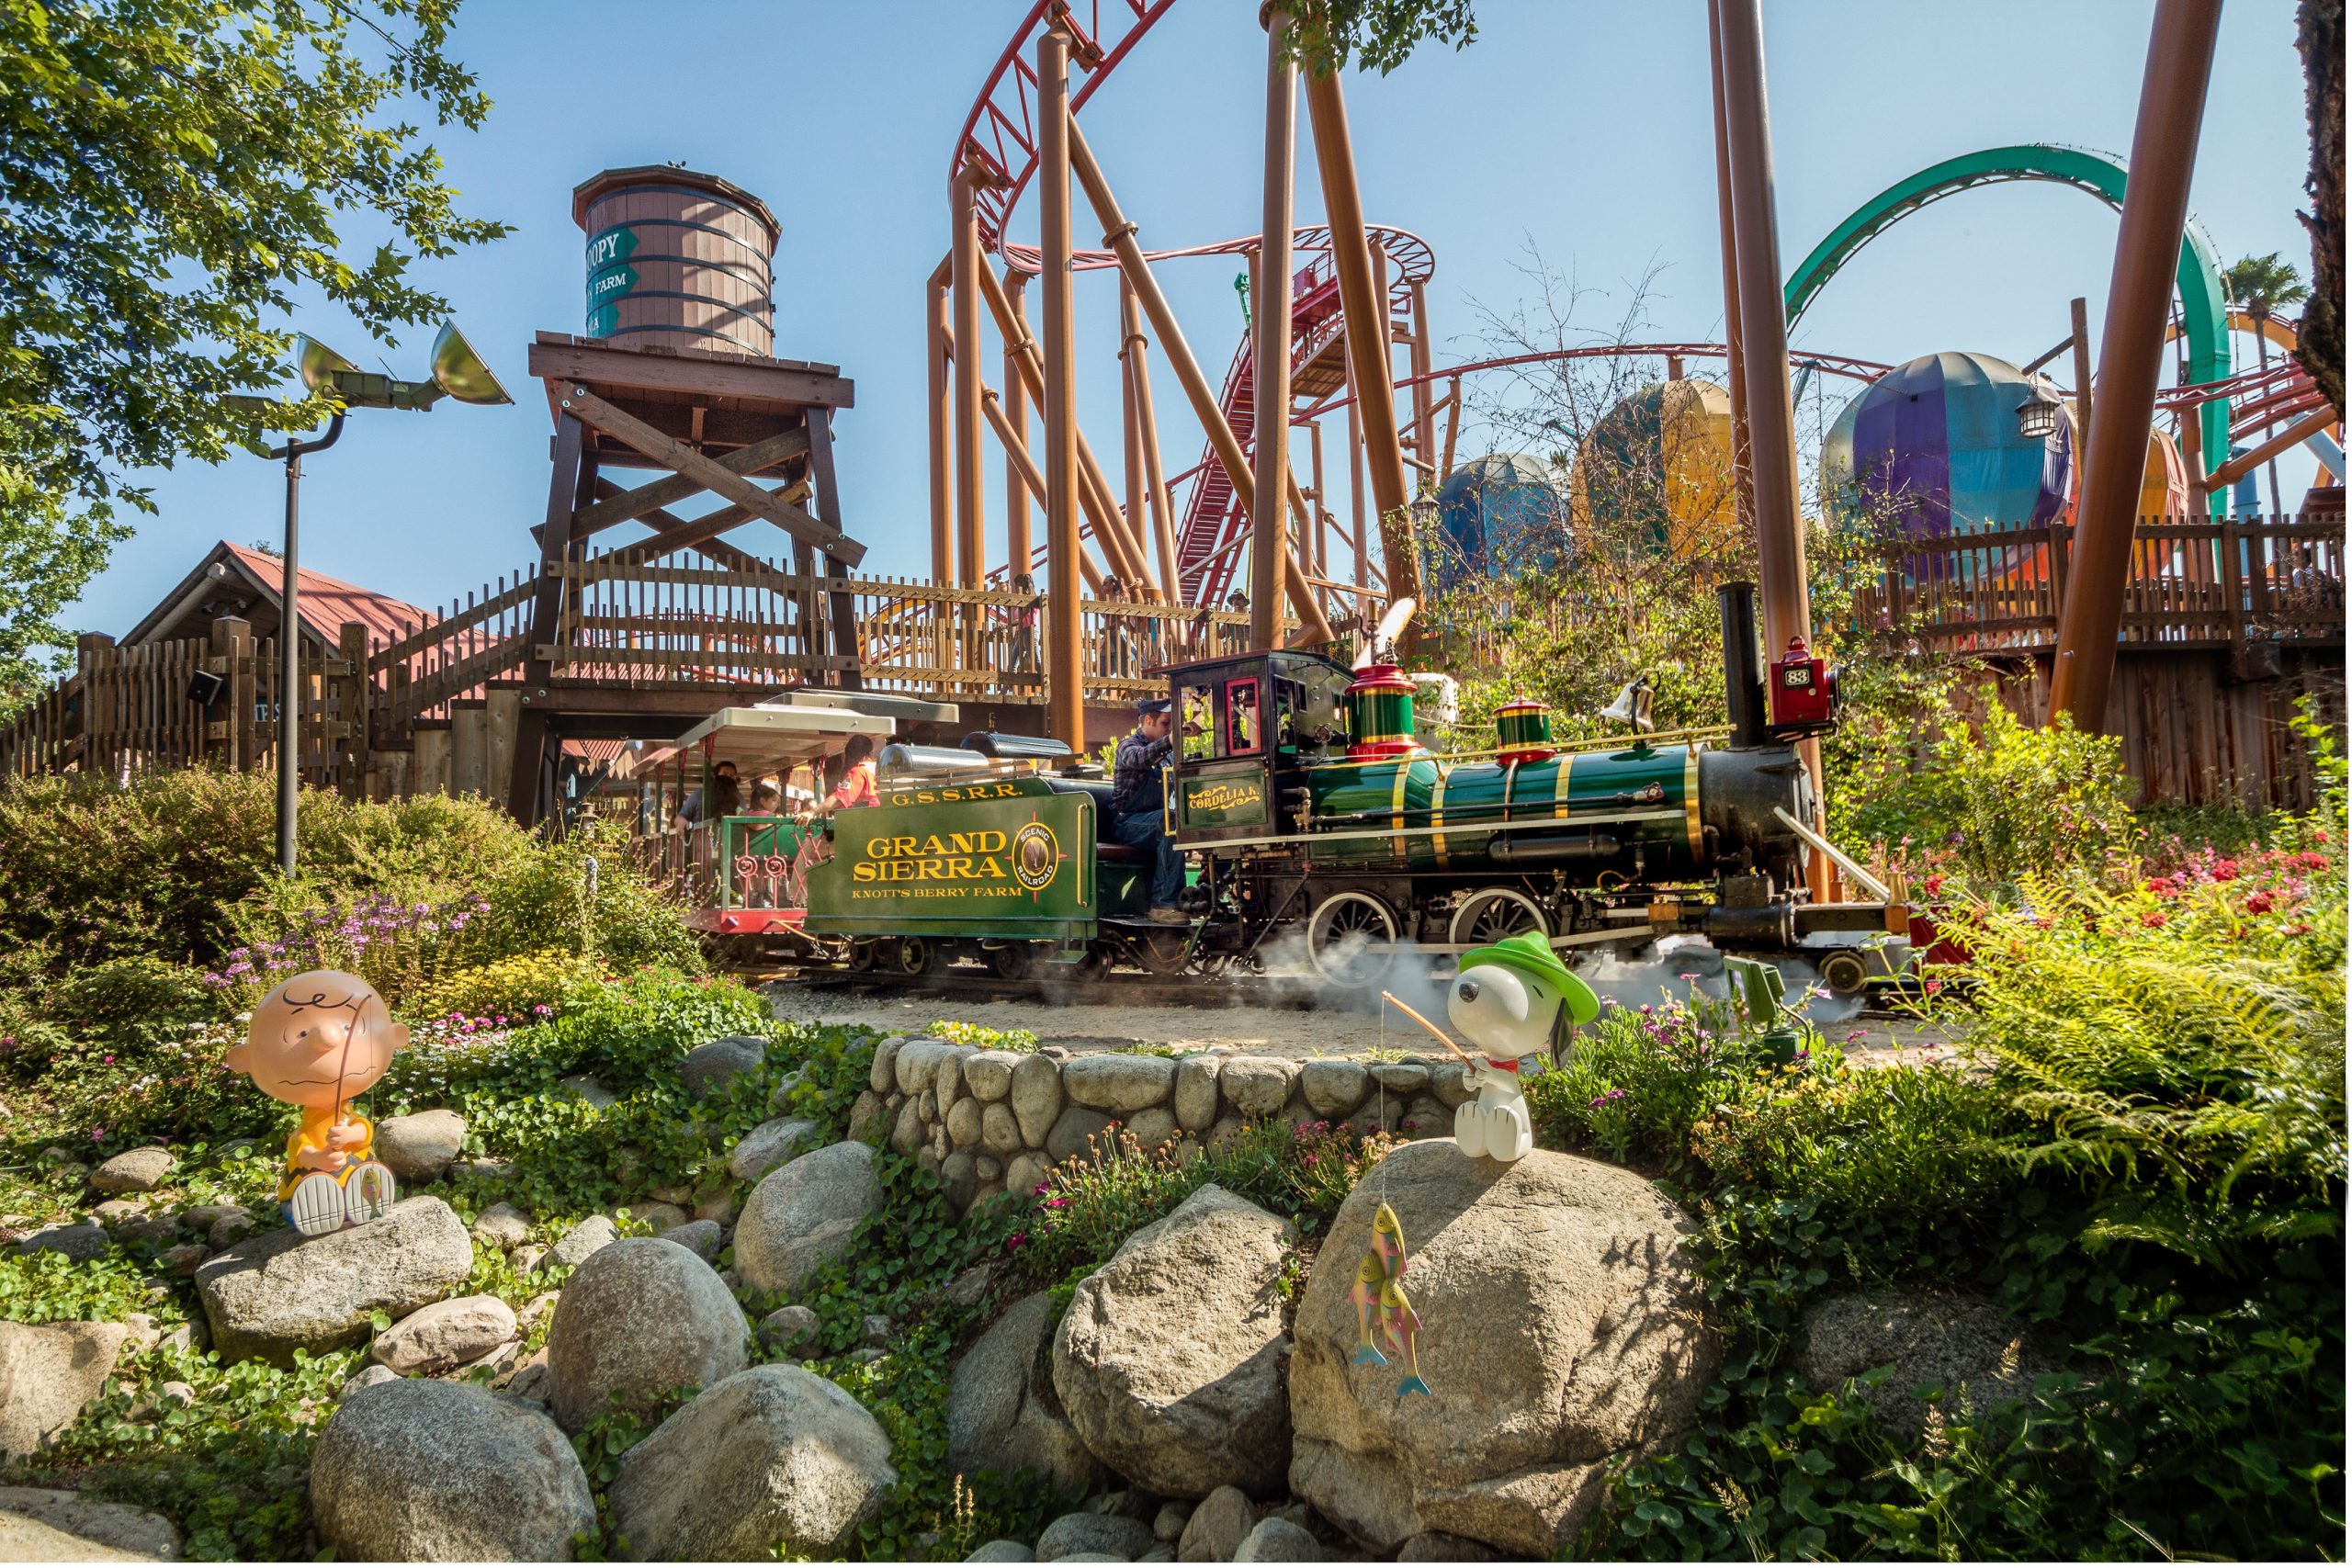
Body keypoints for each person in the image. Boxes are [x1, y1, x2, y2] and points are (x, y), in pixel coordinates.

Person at [1109, 695, 1187, 924]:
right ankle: (1164, 904)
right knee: (1170, 822)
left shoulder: (1169, 756)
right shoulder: (1127, 746)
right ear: (1148, 720)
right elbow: (1139, 758)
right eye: (1166, 723)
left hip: (1152, 822)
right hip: (1127, 823)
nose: (1170, 728)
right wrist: (1171, 740)